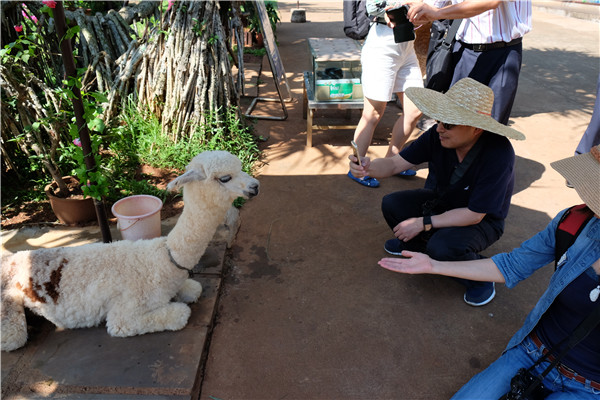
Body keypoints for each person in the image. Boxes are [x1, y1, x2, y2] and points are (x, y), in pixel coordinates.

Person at [377, 145, 600, 399]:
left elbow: (475, 215)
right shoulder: (574, 220)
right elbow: (512, 265)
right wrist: (434, 266)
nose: (587, 194)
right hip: (534, 353)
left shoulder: (497, 153)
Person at [349, 77, 526, 306]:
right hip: (443, 202)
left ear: (475, 129)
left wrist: (422, 223)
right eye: (440, 120)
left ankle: (479, 278)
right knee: (392, 204)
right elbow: (395, 164)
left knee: (442, 247)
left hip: (481, 220)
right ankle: (415, 246)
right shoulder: (437, 135)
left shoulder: (498, 154)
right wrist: (368, 167)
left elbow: (475, 214)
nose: (440, 128)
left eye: (449, 124)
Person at [405, 0, 532, 125]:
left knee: (491, 126)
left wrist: (437, 13)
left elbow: (491, 2)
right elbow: (432, 5)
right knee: (455, 122)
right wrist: (410, 12)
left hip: (501, 54)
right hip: (463, 51)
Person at [347, 0, 424, 188]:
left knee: (415, 110)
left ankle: (393, 161)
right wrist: (397, 8)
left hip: (407, 46)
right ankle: (357, 168)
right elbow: (371, 6)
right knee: (372, 113)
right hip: (382, 47)